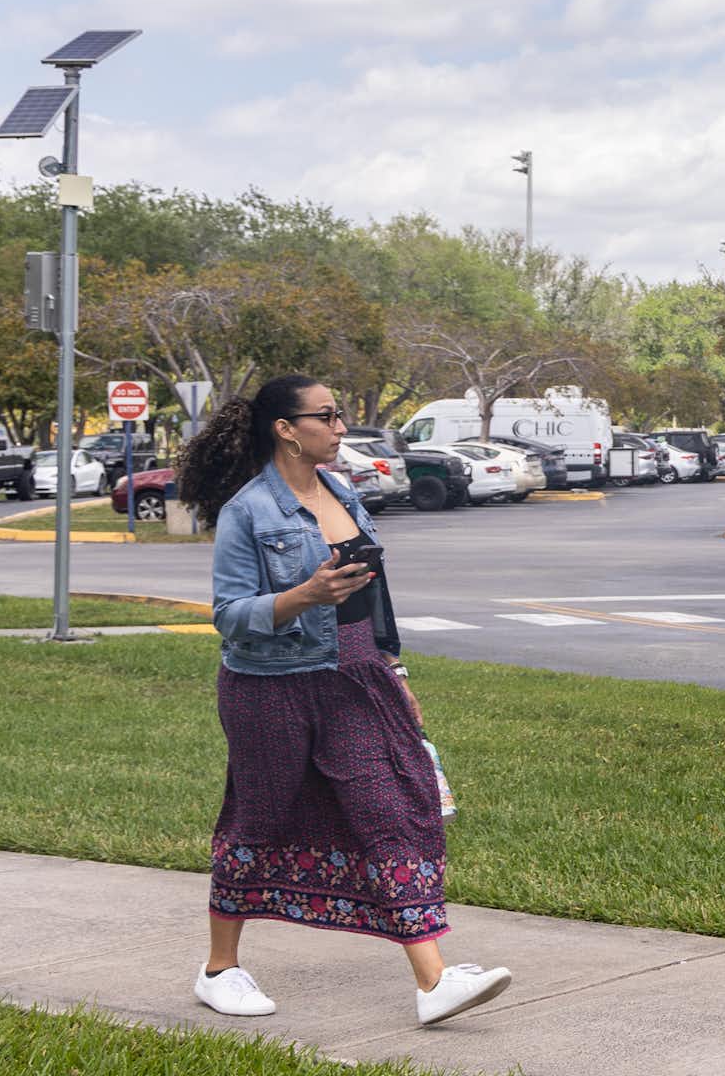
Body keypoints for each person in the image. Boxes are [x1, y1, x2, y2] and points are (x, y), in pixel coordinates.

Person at [178, 374, 511, 1026]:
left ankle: (433, 980)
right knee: (258, 820)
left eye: (340, 414)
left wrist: (397, 671)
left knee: (386, 808)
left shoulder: (341, 490)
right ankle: (219, 970)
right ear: (286, 429)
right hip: (272, 686)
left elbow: (372, 597)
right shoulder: (249, 511)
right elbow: (229, 615)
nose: (339, 427)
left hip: (357, 678)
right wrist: (303, 595)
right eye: (327, 417)